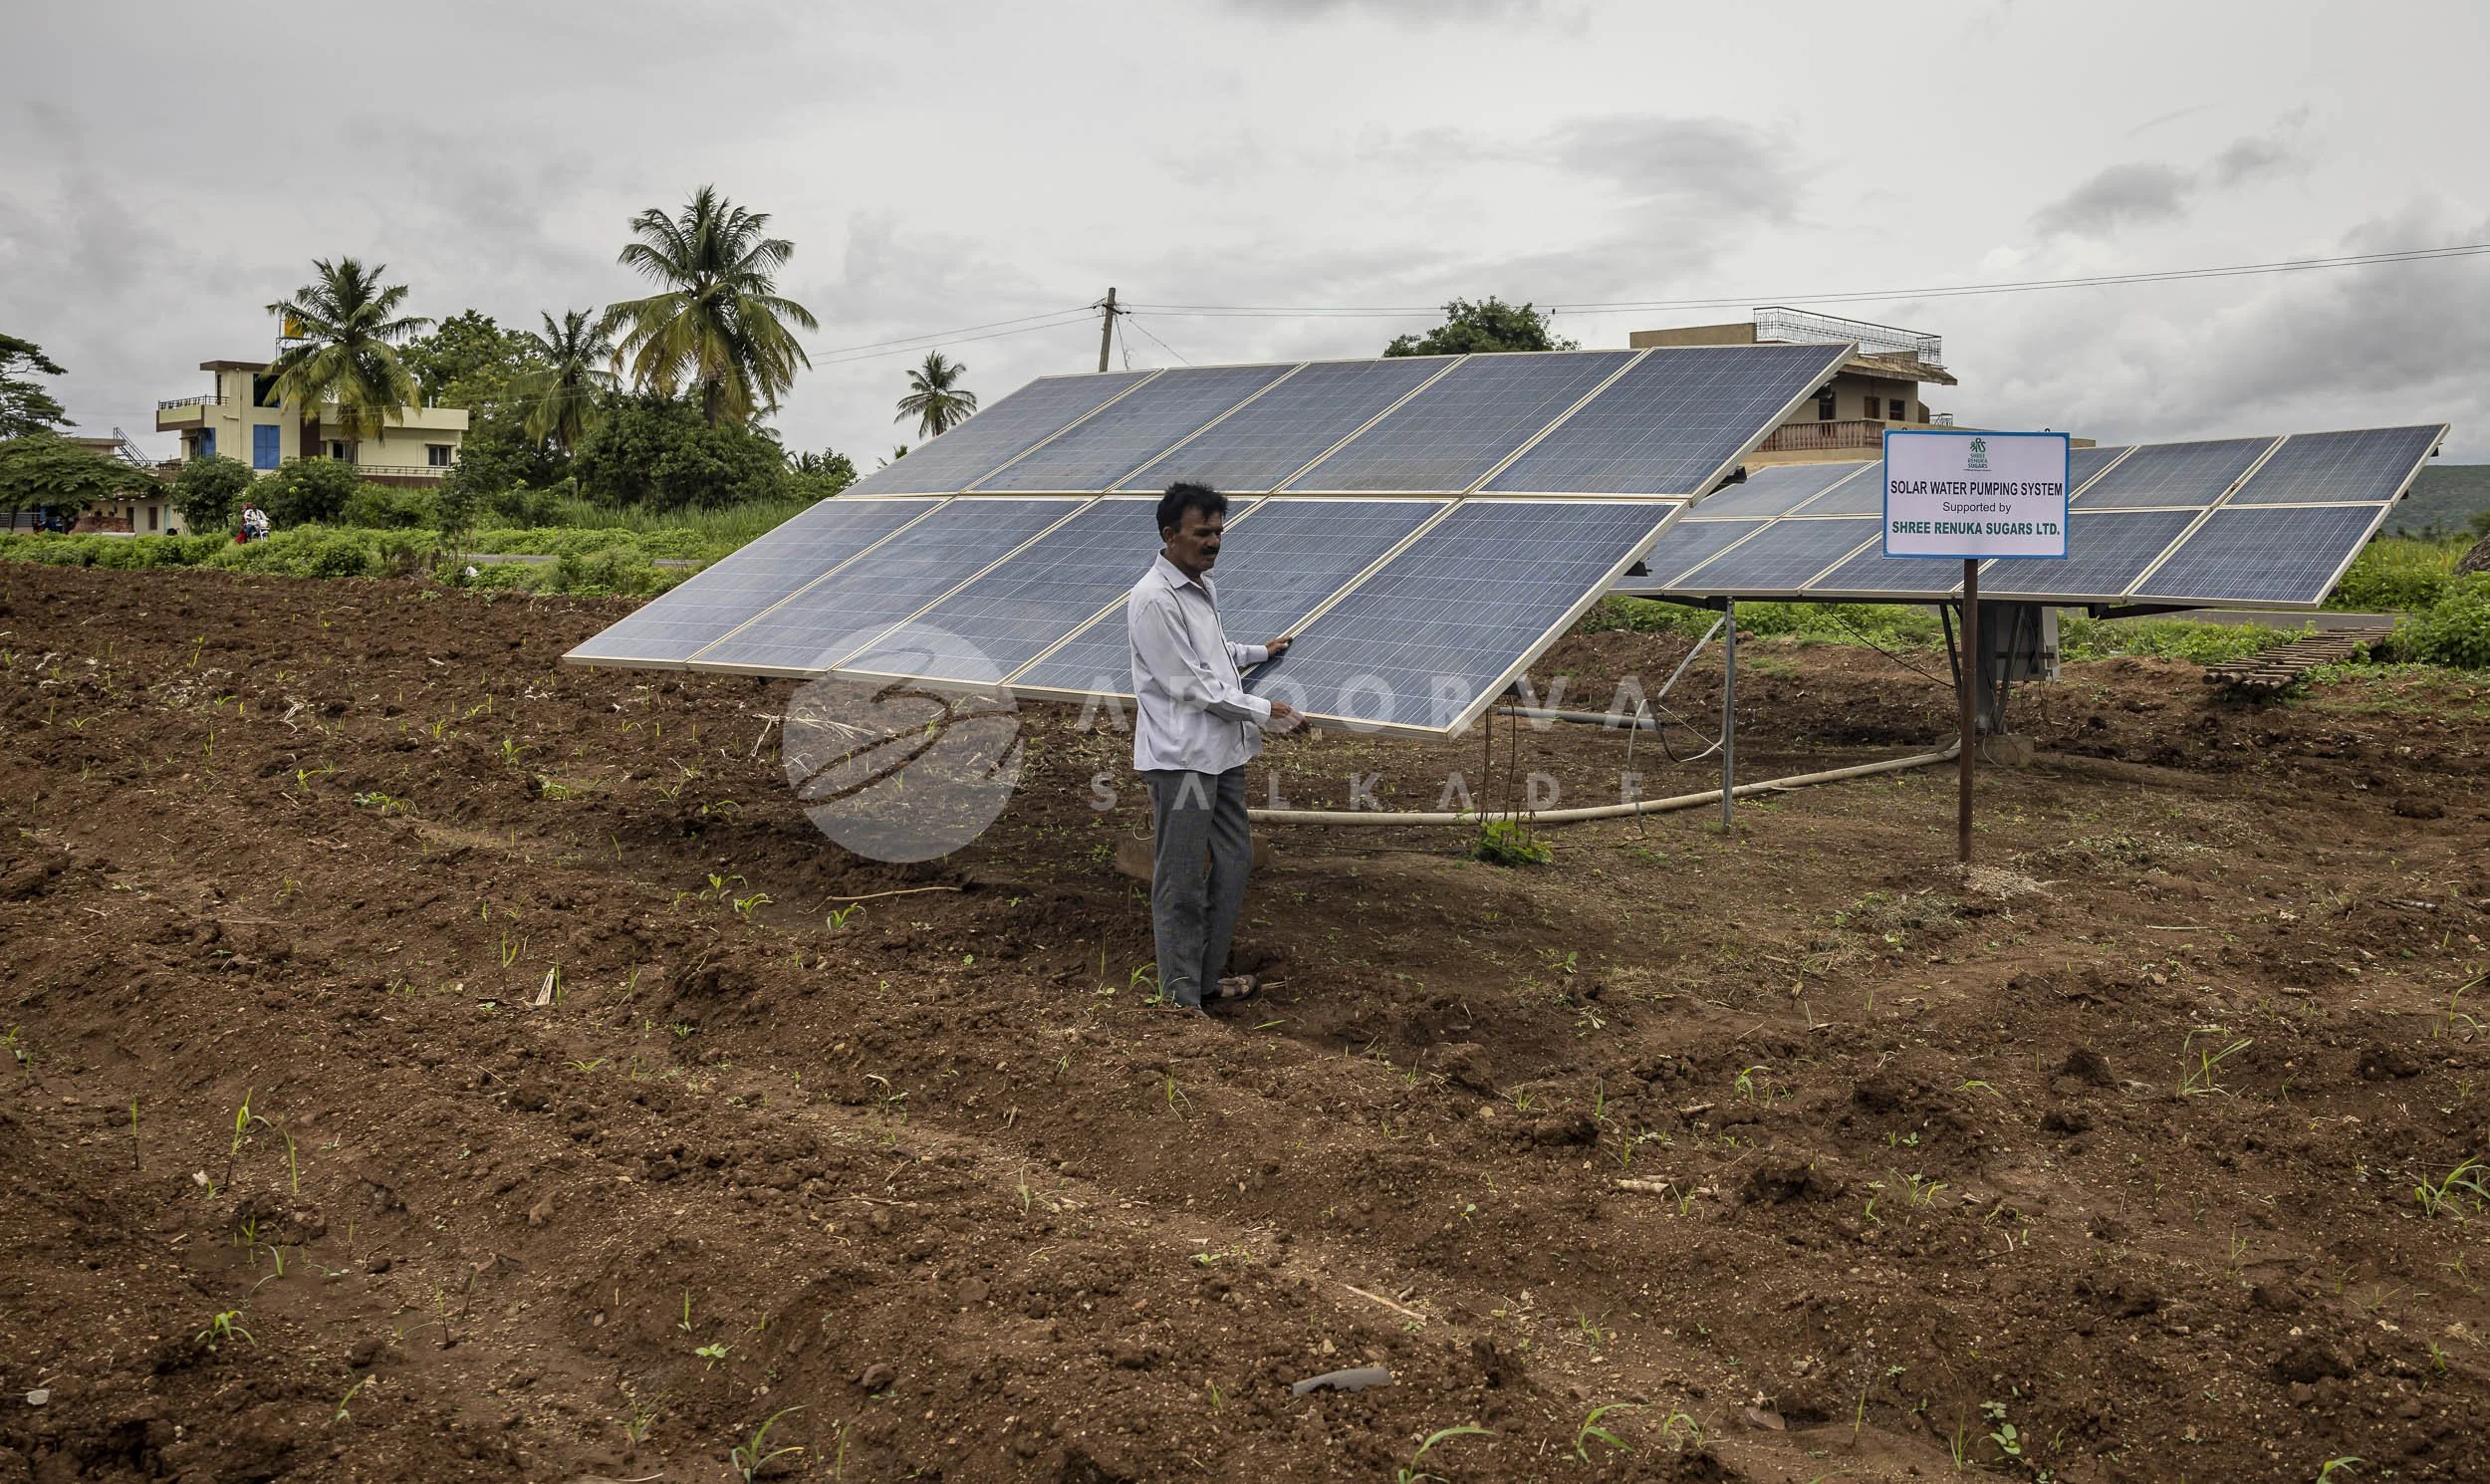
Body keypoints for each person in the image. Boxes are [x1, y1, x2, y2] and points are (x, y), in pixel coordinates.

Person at [1127, 482, 1301, 1014]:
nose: (1213, 542)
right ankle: (1181, 1000)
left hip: (1222, 752)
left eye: (1219, 531)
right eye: (1203, 532)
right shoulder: (1153, 600)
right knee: (1179, 878)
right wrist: (1263, 709)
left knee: (1235, 857)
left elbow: (1213, 654)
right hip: (1181, 760)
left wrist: (1258, 651)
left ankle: (1203, 978)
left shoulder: (1201, 588)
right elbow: (1190, 685)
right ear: (1170, 534)